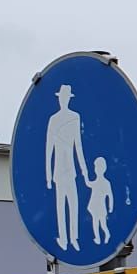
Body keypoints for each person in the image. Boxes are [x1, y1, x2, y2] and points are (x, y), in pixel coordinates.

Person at [43, 83, 89, 254]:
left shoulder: (75, 117)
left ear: (68, 99)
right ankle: (63, 238)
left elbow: (79, 146)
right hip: (58, 171)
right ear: (59, 99)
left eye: (66, 97)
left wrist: (84, 172)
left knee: (74, 203)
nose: (64, 100)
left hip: (71, 169)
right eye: (61, 97)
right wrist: (48, 176)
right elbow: (49, 149)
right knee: (60, 205)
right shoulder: (53, 119)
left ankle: (74, 238)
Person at [86, 156, 113, 246]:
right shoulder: (96, 181)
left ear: (103, 169)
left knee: (103, 223)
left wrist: (110, 207)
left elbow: (110, 196)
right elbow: (89, 184)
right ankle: (97, 238)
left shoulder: (105, 183)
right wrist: (85, 175)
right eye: (95, 167)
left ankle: (107, 234)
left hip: (101, 207)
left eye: (98, 167)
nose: (96, 169)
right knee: (95, 222)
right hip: (94, 205)